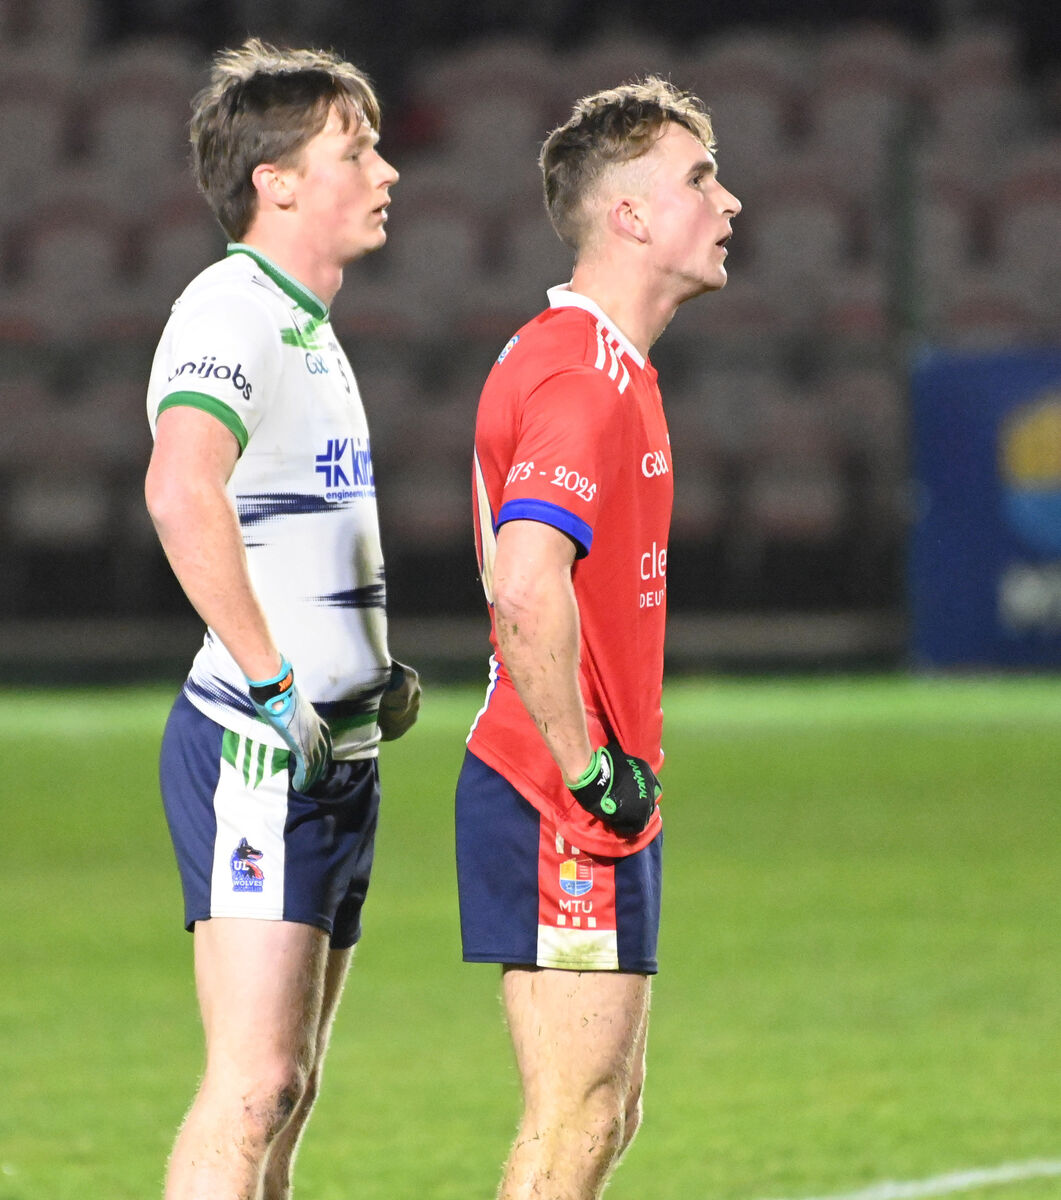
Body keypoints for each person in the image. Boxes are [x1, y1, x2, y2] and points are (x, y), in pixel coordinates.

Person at [143, 39, 420, 1200]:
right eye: (355, 149)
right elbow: (179, 485)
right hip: (263, 748)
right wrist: (271, 680)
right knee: (252, 1083)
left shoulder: (302, 320)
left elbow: (289, 529)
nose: (387, 171)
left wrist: (369, 671)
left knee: (289, 1086)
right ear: (279, 181)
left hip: (330, 750)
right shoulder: (231, 304)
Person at [456, 77, 740, 1199]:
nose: (728, 202)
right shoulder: (581, 372)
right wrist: (586, 770)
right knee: (572, 1119)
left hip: (582, 794)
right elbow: (524, 584)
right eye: (698, 178)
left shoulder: (603, 363)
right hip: (559, 798)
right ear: (626, 214)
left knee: (602, 1114)